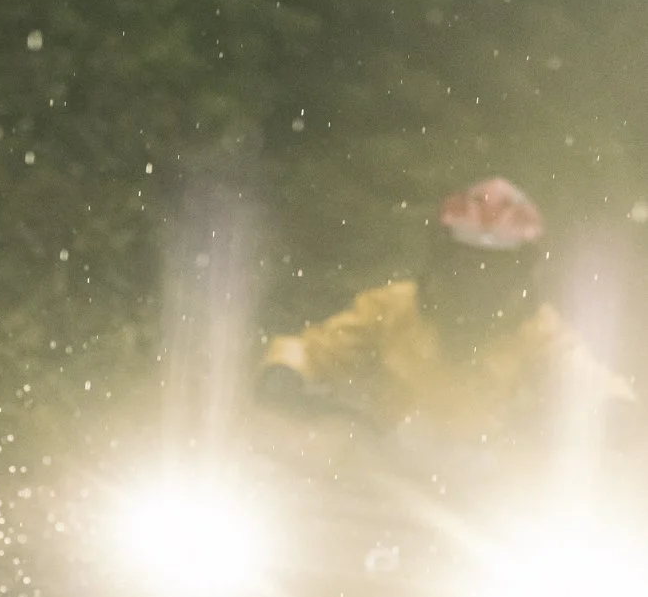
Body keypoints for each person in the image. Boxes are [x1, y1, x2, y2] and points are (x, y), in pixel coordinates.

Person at [257, 178, 628, 441]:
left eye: (498, 267)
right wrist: (285, 372)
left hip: (495, 516)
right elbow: (315, 350)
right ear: (442, 257)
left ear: (523, 271)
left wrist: (614, 409)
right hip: (377, 488)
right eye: (466, 261)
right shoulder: (393, 308)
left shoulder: (540, 332)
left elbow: (585, 379)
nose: (480, 278)